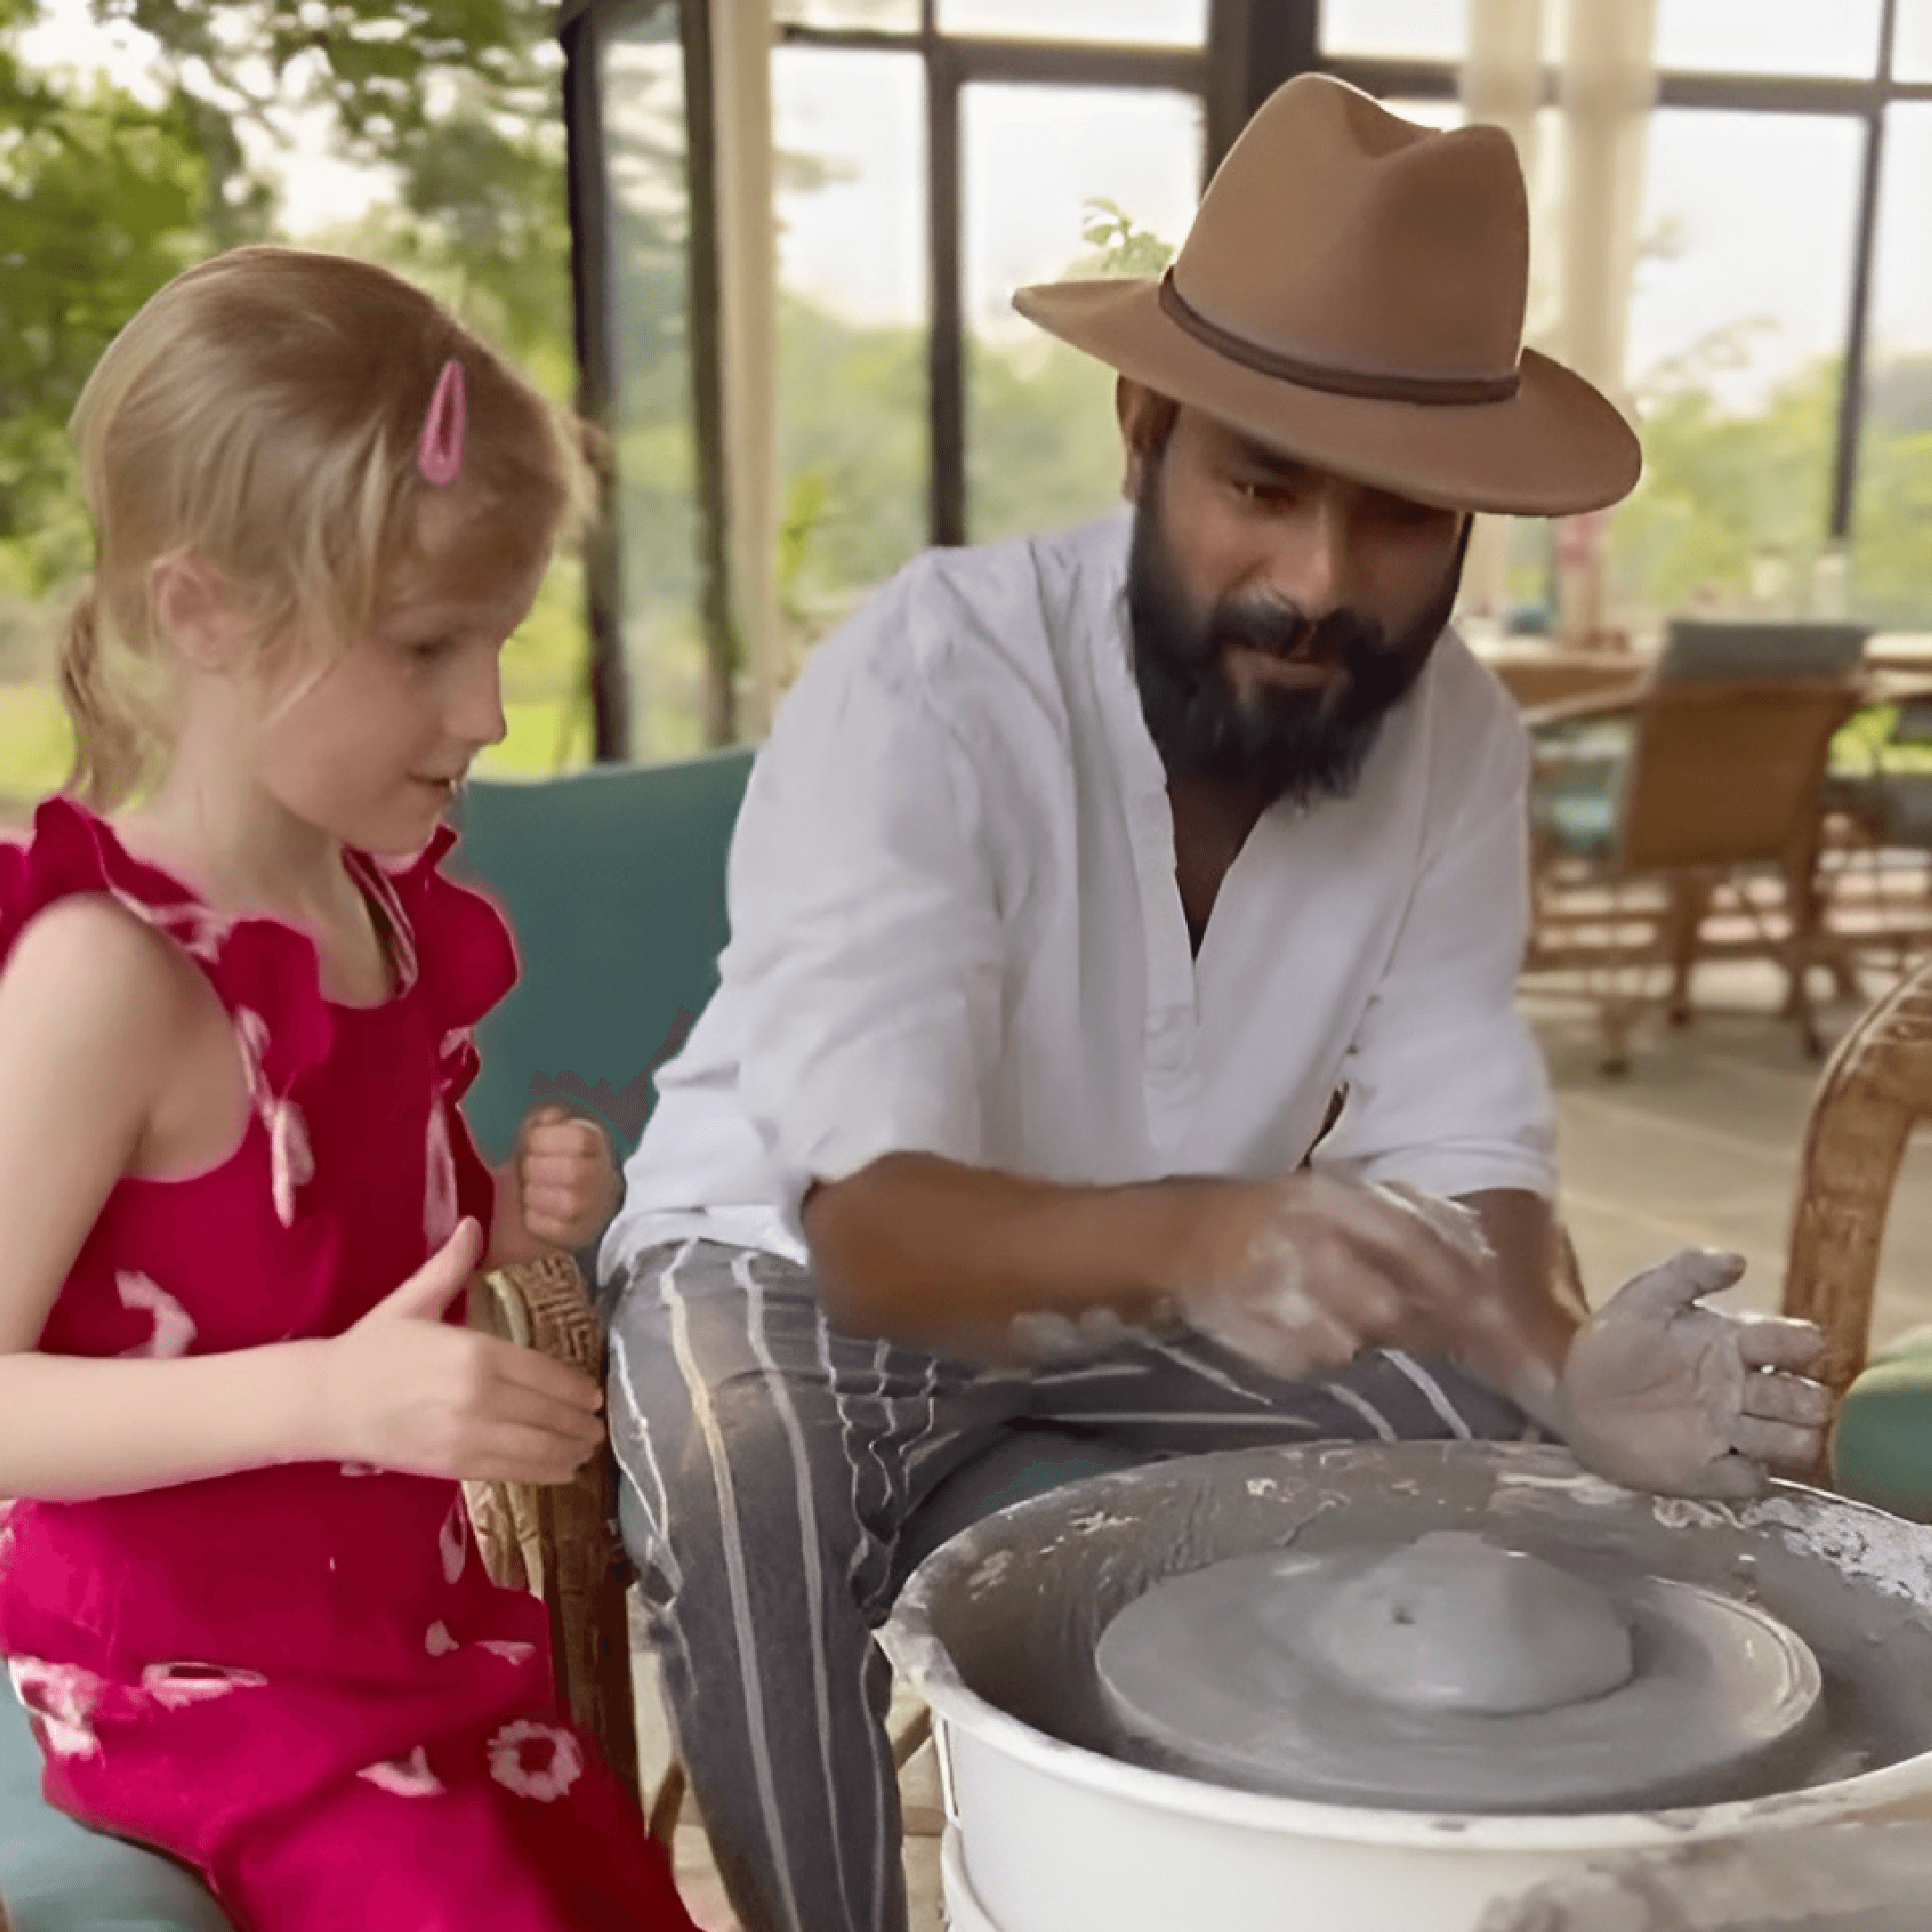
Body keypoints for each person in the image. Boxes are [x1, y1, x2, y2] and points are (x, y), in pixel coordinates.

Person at [597, 75, 1832, 1932]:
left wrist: (1563, 1365)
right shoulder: (930, 681)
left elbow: (1454, 1135)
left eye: (1405, 519)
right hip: (788, 1267)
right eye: (1260, 487)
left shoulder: (1457, 738)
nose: (1318, 584)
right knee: (744, 1481)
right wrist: (1216, 1230)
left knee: (1484, 1426)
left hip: (1166, 1296)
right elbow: (871, 1225)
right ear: (1141, 427)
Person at [0, 247, 697, 1932]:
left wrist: (517, 1203)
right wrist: (328, 1399)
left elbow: (362, 1237)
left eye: (501, 642)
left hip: (405, 1643)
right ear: (205, 612)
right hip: (195, 1679)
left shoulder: (377, 906)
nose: (491, 709)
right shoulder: (109, 977)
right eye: (429, 648)